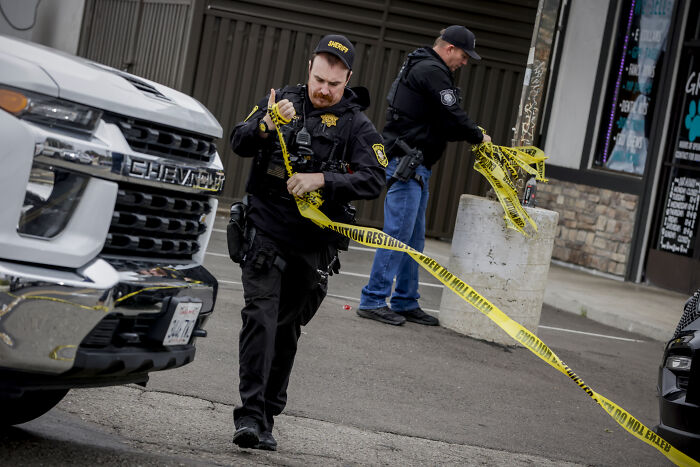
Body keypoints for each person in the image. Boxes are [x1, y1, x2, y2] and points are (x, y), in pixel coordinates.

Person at [229, 34, 385, 450]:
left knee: (286, 330)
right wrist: (266, 124)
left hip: (313, 247)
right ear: (309, 68)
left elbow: (375, 178)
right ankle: (248, 416)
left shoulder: (357, 124)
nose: (323, 90)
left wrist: (323, 179)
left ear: (347, 79)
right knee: (259, 320)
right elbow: (238, 141)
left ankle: (267, 414)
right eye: (318, 79)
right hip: (265, 231)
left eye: (333, 84)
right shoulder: (281, 102)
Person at [358, 25, 492, 326]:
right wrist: (476, 135)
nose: (465, 61)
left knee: (413, 240)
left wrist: (468, 133)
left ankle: (405, 300)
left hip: (417, 166)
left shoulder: (424, 65)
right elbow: (453, 114)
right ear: (448, 48)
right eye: (463, 54)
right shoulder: (432, 70)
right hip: (408, 165)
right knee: (397, 236)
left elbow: (443, 121)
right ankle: (373, 299)